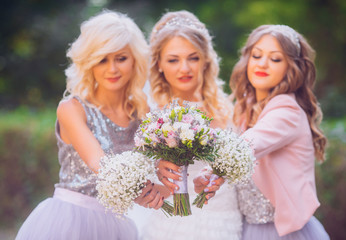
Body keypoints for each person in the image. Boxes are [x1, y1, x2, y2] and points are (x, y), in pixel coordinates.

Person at [16, 10, 164, 240]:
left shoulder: (142, 115)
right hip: (68, 222)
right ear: (89, 62)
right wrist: (139, 191)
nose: (112, 69)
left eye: (121, 58)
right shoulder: (72, 109)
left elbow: (158, 169)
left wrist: (159, 188)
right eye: (102, 59)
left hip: (116, 225)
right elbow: (101, 164)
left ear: (135, 59)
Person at [202, 24, 329, 239]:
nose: (262, 64)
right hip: (245, 228)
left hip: (281, 232)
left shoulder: (287, 110)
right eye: (257, 55)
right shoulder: (245, 107)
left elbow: (252, 142)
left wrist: (213, 170)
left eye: (275, 59)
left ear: (292, 68)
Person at [133, 10, 243, 240]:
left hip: (223, 221)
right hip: (171, 222)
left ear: (205, 61)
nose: (185, 68)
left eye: (193, 58)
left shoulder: (228, 107)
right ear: (159, 64)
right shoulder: (149, 112)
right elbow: (139, 175)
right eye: (173, 60)